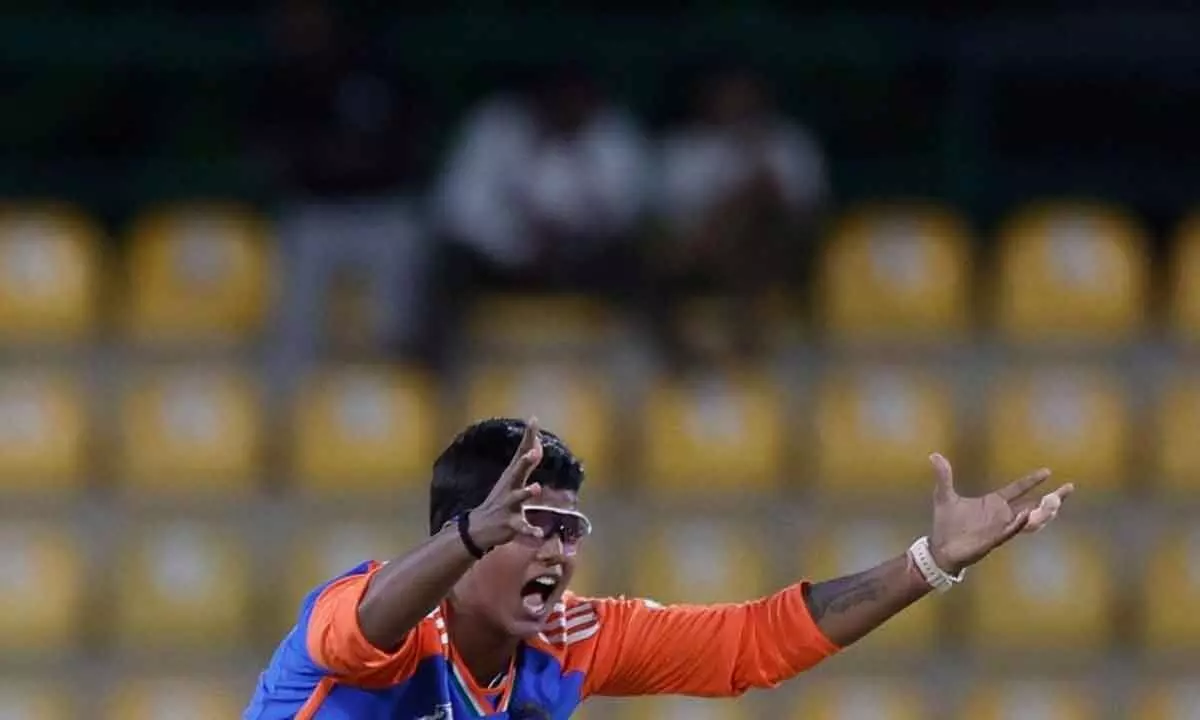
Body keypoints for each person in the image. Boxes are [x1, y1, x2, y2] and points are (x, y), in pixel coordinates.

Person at [244, 417, 1073, 718]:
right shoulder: (369, 609)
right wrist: (467, 539)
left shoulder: (571, 639)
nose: (557, 552)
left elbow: (753, 643)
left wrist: (931, 562)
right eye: (531, 525)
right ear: (460, 535)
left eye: (571, 530)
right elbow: (354, 633)